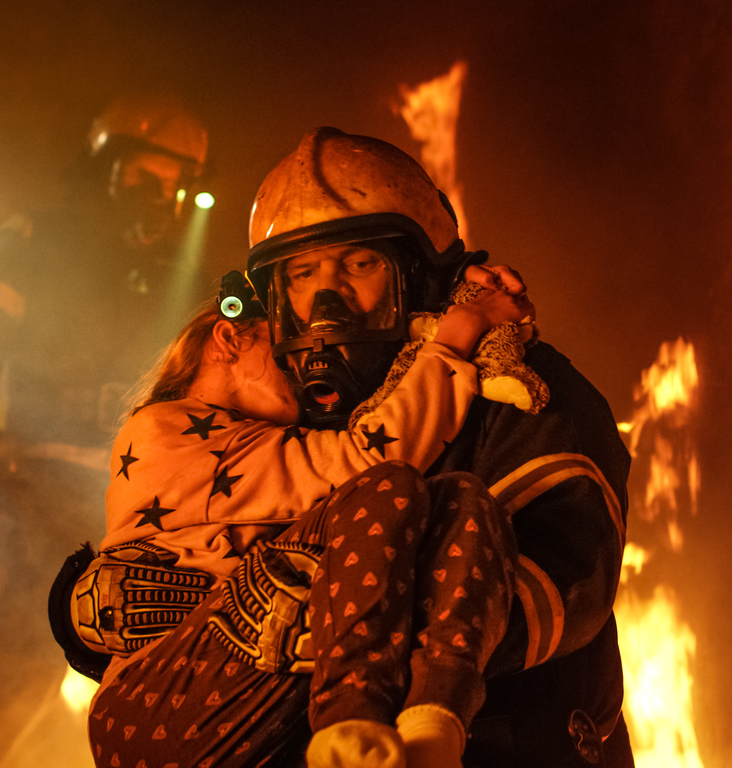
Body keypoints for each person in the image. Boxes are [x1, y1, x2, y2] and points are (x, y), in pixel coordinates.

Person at [243, 128, 633, 767]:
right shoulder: (278, 418)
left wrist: (335, 631)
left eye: (359, 264)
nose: (324, 302)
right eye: (302, 273)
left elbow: (565, 582)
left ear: (421, 275)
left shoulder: (523, 391)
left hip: (508, 745)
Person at [71, 262, 531, 768]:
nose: (302, 368)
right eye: (281, 350)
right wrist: (460, 330)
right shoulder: (164, 428)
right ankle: (351, 731)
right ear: (229, 338)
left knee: (461, 501)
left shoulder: (246, 449)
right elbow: (370, 460)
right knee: (386, 486)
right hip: (156, 706)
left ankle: (432, 738)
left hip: (238, 698)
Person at [0, 91, 211, 767]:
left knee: (141, 667)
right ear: (105, 167)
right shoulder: (39, 240)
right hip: (36, 467)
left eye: (174, 184)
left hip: (138, 492)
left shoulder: (181, 272)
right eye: (144, 175)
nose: (158, 195)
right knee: (32, 644)